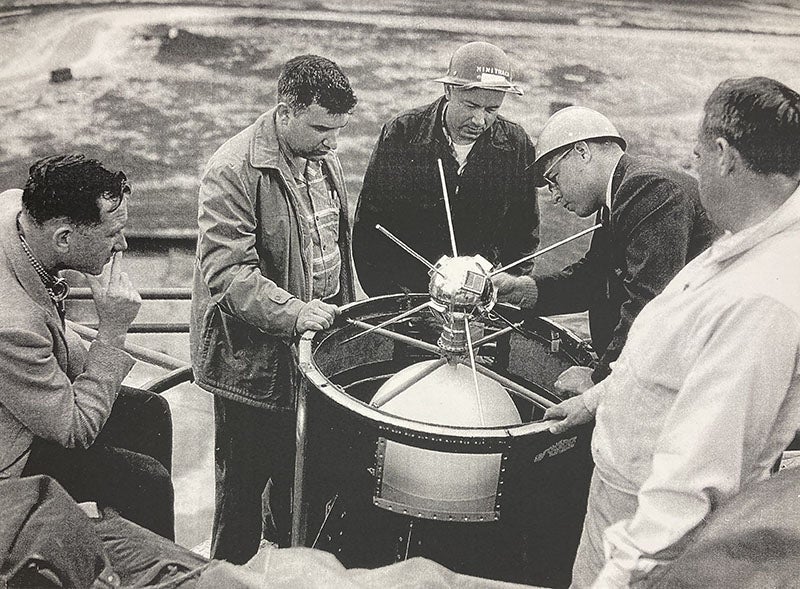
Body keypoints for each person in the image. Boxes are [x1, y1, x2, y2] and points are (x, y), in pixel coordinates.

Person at [544, 76, 800, 588]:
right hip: (625, 488)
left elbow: (697, 476)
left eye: (698, 156)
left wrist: (618, 576)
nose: (692, 170)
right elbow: (665, 354)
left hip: (646, 525)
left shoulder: (762, 296)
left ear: (725, 155)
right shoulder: (742, 244)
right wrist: (597, 399)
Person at [190, 55, 358, 564]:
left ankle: (290, 571)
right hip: (254, 369)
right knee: (242, 493)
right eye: (322, 128)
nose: (333, 142)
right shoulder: (231, 170)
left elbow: (333, 246)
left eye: (339, 130)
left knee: (300, 483)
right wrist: (295, 314)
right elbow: (228, 275)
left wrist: (347, 305)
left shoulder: (323, 157)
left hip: (311, 352)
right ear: (285, 112)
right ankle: (225, 575)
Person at [0, 154, 175, 540]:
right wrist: (112, 330)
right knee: (145, 481)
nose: (123, 244)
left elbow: (53, 339)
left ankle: (129, 549)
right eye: (113, 234)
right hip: (8, 456)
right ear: (63, 238)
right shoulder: (13, 326)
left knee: (150, 410)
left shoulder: (15, 206)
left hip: (18, 391)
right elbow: (75, 430)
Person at [493, 106, 718, 393]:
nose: (554, 196)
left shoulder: (649, 188)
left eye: (554, 178)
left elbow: (648, 300)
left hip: (698, 370)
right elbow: (594, 279)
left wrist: (598, 380)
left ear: (582, 152)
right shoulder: (621, 194)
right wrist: (522, 289)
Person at [352, 41, 540, 296]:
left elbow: (524, 234)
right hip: (408, 296)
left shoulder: (517, 144)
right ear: (449, 90)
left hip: (482, 297)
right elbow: (370, 230)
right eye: (471, 105)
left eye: (491, 109)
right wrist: (391, 300)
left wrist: (505, 291)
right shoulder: (401, 134)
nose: (479, 120)